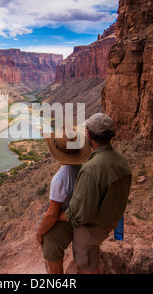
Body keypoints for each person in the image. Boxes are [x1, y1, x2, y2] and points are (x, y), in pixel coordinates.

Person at [59, 113, 132, 274]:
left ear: (89, 135)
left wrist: (56, 216)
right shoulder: (122, 162)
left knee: (88, 265)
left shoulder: (91, 169)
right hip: (111, 222)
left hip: (92, 232)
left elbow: (79, 215)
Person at [36, 128, 92, 274]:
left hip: (71, 220)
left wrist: (40, 234)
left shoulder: (60, 178)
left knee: (50, 241)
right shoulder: (83, 169)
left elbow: (52, 215)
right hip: (83, 219)